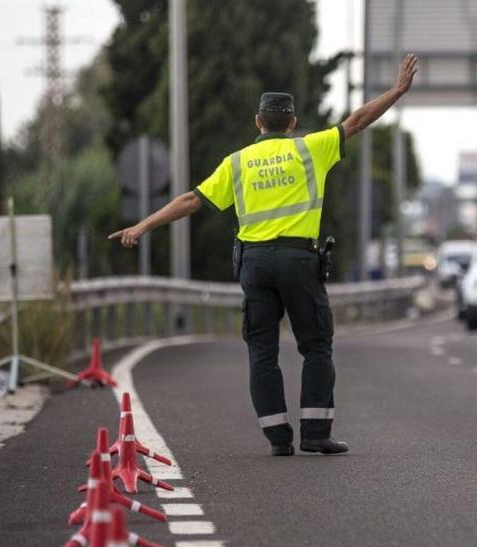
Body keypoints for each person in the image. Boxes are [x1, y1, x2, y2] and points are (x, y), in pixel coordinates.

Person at [110, 54, 419, 456]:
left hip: (254, 265)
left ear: (258, 122)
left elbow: (191, 200)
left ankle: (278, 439)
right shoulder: (312, 149)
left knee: (262, 351)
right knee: (316, 346)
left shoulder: (236, 163)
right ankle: (315, 433)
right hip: (298, 262)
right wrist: (396, 90)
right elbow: (357, 120)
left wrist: (143, 226)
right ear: (291, 123)